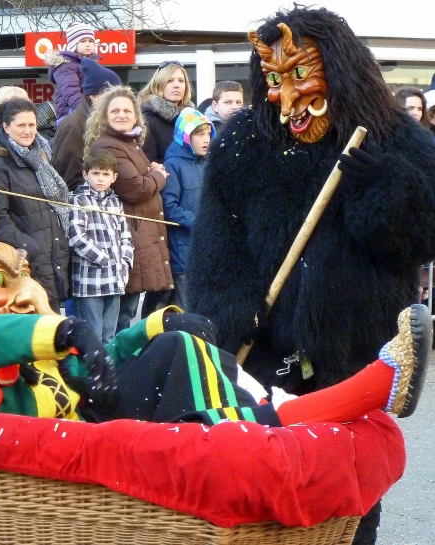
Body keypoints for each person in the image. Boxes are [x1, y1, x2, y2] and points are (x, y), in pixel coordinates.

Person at [186, 8, 435, 544]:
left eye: (299, 73)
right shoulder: (240, 142)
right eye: (274, 79)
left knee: (350, 487)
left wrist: (384, 186)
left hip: (354, 346)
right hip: (268, 349)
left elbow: (423, 237)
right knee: (272, 481)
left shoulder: (394, 138)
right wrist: (233, 310)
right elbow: (215, 244)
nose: (287, 93)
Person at [0, 236, 430, 430]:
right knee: (175, 354)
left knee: (175, 342)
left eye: (19, 273)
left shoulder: (47, 353)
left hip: (102, 417)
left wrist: (156, 321)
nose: (19, 292)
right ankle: (359, 394)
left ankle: (303, 403)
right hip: (83, 442)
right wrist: (68, 328)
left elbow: (107, 355)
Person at [86, 86, 173, 331]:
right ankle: (121, 363)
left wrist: (151, 172)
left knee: (130, 307)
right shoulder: (110, 146)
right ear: (104, 115)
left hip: (140, 232)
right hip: (129, 235)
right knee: (124, 312)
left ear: (136, 115)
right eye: (115, 110)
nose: (121, 115)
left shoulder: (130, 143)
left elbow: (143, 178)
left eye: (127, 110)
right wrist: (159, 175)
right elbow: (135, 188)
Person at [0, 98, 70, 313]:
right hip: (26, 260)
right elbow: (0, 219)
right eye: (21, 125)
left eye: (32, 125)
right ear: (5, 126)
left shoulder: (40, 156)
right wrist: (31, 247)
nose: (28, 131)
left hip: (52, 254)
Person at [68, 150, 133, 344]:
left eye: (105, 174)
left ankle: (109, 371)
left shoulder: (115, 202)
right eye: (96, 173)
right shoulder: (78, 201)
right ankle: (92, 372)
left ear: (114, 177)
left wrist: (125, 261)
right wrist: (104, 258)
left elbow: (125, 235)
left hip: (115, 279)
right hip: (90, 281)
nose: (100, 179)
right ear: (85, 174)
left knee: (109, 334)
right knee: (92, 333)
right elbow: (77, 237)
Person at [162, 108, 215, 311]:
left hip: (207, 250)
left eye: (208, 134)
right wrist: (200, 223)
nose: (206, 139)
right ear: (186, 137)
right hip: (183, 253)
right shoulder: (173, 165)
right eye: (200, 134)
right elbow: (169, 207)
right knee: (188, 309)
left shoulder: (207, 162)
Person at [52, 58, 121, 191]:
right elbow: (70, 178)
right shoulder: (74, 125)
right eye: (112, 95)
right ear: (94, 96)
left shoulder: (98, 120)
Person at [139, 60, 193, 164]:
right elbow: (149, 165)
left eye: (181, 81)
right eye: (170, 81)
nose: (176, 85)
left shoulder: (193, 118)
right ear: (158, 85)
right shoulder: (147, 121)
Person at [45, 22, 100, 121]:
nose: (88, 44)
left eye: (91, 41)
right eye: (83, 41)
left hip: (90, 112)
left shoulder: (93, 65)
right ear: (73, 44)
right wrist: (86, 112)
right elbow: (71, 92)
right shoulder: (65, 66)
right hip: (70, 114)